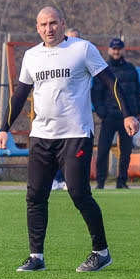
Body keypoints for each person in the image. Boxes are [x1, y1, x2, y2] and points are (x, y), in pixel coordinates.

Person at [0, 6, 139, 272]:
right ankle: (36, 256)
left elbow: (112, 82)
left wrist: (127, 115)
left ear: (63, 23)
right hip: (41, 136)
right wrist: (4, 127)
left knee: (78, 193)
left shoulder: (82, 49)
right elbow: (19, 96)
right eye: (42, 25)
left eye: (53, 23)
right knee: (35, 196)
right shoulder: (31, 56)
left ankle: (101, 251)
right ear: (37, 28)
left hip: (76, 135)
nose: (48, 29)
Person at [92, 38, 140, 189]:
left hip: (128, 117)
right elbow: (96, 93)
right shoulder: (103, 69)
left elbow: (137, 91)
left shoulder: (130, 69)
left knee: (126, 151)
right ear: (109, 50)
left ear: (123, 50)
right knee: (103, 150)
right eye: (113, 49)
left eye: (119, 49)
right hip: (109, 116)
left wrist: (139, 111)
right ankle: (100, 182)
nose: (116, 51)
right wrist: (102, 112)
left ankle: (122, 181)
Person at [49, 27, 82, 191]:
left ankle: (69, 180)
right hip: (55, 116)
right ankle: (55, 179)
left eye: (76, 38)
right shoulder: (52, 59)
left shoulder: (84, 58)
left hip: (76, 118)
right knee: (55, 150)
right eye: (69, 38)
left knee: (73, 154)